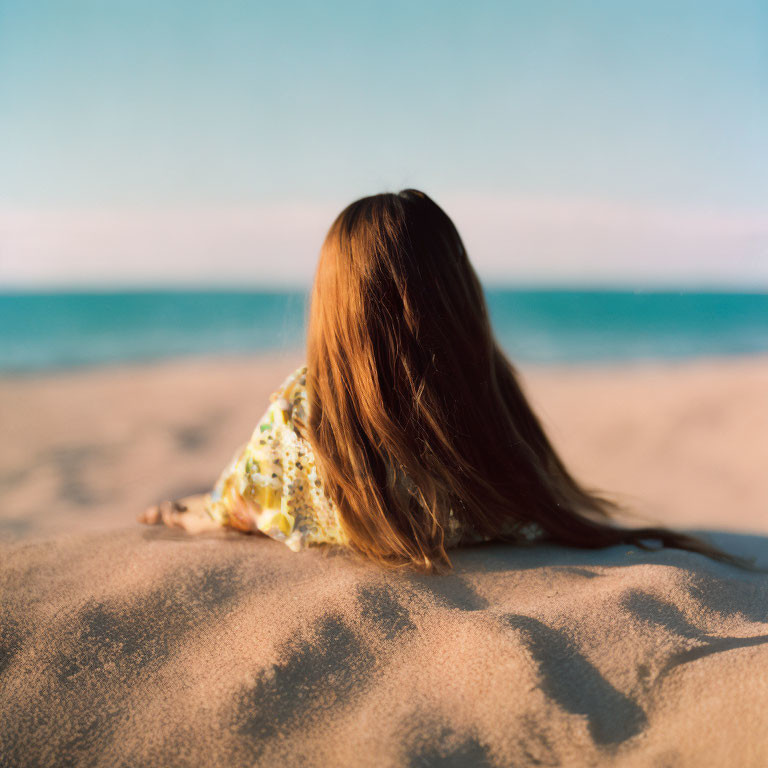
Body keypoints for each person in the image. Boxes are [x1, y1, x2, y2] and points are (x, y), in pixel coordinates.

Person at [140, 189, 742, 573]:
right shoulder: (488, 400)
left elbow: (244, 500)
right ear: (458, 294)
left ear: (334, 305)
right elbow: (534, 506)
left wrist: (196, 512)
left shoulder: (304, 417)